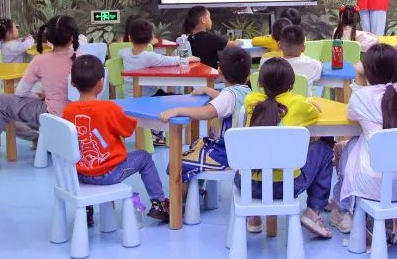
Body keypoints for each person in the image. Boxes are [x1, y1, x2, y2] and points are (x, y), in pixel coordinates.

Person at [62, 54, 169, 223]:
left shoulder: (68, 110)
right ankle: (159, 203)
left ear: (73, 83)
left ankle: (87, 211)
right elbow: (127, 130)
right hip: (108, 173)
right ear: (101, 83)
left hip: (80, 173)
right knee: (144, 158)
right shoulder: (108, 108)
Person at [331, 44, 397, 233]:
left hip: (374, 185)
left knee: (350, 146)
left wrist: (360, 79)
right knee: (355, 145)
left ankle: (345, 211)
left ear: (369, 70)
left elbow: (352, 114)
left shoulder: (362, 97)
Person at [240, 58, 333, 238]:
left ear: (259, 83)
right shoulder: (298, 104)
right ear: (291, 84)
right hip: (285, 186)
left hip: (248, 185)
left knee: (261, 156)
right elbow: (315, 112)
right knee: (324, 149)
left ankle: (253, 215)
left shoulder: (251, 100)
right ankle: (313, 212)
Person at [0, 15, 79, 170]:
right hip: (80, 116)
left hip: (53, 116)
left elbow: (20, 92)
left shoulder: (40, 61)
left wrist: (41, 96)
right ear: (73, 35)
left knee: (0, 102)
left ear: (49, 36)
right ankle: (38, 138)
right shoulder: (82, 57)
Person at [159, 47, 253, 184]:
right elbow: (227, 102)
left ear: (219, 71)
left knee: (176, 166)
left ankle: (181, 204)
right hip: (239, 150)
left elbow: (208, 112)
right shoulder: (246, 91)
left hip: (224, 153)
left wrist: (178, 110)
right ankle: (199, 190)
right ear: (249, 73)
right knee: (197, 144)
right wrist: (209, 90)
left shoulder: (228, 96)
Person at [122, 17, 197, 98]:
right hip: (148, 97)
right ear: (151, 38)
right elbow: (171, 60)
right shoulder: (150, 57)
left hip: (128, 96)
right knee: (182, 98)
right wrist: (188, 58)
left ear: (129, 38)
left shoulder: (124, 53)